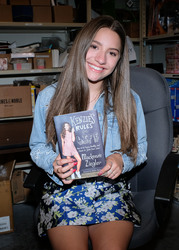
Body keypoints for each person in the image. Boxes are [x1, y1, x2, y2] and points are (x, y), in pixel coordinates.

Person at [29, 15, 147, 250]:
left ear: (118, 60)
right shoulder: (48, 97)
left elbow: (140, 148)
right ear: (82, 47)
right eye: (94, 47)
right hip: (63, 192)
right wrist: (54, 162)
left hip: (110, 191)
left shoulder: (129, 100)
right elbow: (37, 146)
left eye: (112, 53)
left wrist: (121, 160)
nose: (101, 59)